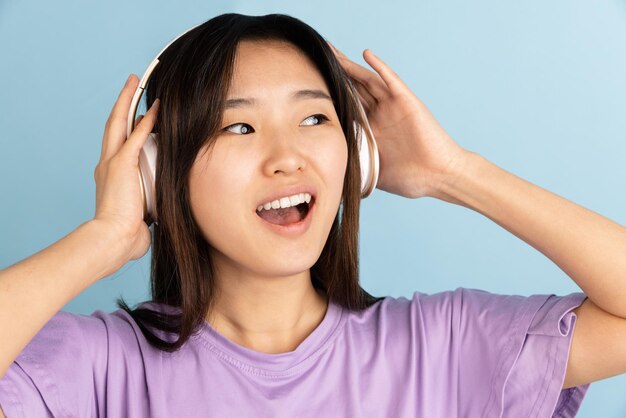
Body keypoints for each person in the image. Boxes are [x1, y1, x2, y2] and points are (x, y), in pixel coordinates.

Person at [0, 12, 625, 417]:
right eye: (239, 126)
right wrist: (104, 239)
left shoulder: (445, 346)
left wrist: (454, 174)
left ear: (355, 154)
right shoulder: (97, 368)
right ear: (160, 173)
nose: (287, 158)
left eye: (314, 119)